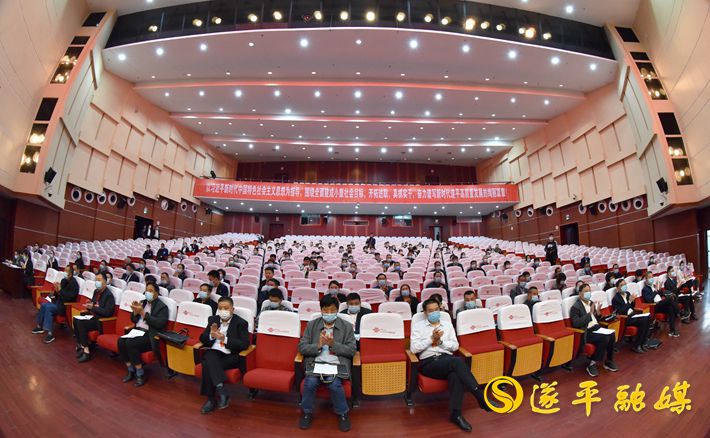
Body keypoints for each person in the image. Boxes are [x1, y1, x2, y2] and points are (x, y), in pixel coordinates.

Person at [411, 298, 495, 432]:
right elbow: (414, 348)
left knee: (455, 375)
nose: (434, 313)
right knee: (458, 362)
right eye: (430, 311)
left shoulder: (447, 325)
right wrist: (431, 339)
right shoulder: (418, 326)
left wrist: (441, 343)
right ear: (425, 313)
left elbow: (455, 346)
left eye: (436, 310)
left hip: (447, 359)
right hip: (429, 363)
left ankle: (456, 415)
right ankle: (480, 397)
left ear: (440, 309)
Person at [298, 295, 357, 432]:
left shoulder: (347, 326)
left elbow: (352, 350)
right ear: (321, 310)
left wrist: (333, 345)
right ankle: (307, 413)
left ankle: (343, 413)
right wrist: (318, 345)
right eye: (326, 310)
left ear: (337, 310)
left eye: (332, 310)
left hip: (336, 365)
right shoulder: (312, 325)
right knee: (310, 383)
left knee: (334, 384)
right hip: (316, 363)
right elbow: (302, 347)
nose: (329, 313)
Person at [199, 297, 249, 414]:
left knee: (207, 363)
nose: (223, 311)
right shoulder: (213, 320)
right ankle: (221, 392)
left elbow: (244, 344)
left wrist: (224, 339)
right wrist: (211, 336)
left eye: (226, 308)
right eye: (220, 308)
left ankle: (211, 400)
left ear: (232, 309)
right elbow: (202, 338)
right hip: (214, 353)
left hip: (230, 356)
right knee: (210, 355)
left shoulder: (241, 323)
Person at [118, 283, 169, 387]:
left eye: (151, 291)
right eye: (147, 290)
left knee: (130, 343)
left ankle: (140, 374)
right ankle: (131, 370)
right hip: (137, 331)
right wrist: (135, 312)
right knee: (121, 341)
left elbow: (159, 324)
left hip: (150, 335)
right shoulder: (142, 302)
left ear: (156, 293)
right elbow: (133, 320)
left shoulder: (162, 307)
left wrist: (142, 313)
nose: (147, 293)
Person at [570, 283, 618, 377]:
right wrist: (590, 314)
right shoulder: (575, 307)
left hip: (596, 327)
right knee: (604, 338)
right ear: (580, 293)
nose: (588, 293)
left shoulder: (591, 303)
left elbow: (596, 318)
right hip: (586, 331)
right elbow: (576, 323)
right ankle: (592, 364)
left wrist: (598, 313)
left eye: (589, 291)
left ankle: (609, 361)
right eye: (586, 291)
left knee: (612, 334)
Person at [74, 273, 115, 363]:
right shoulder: (96, 291)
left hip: (101, 321)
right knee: (76, 319)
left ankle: (86, 351)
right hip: (93, 316)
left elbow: (107, 312)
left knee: (81, 323)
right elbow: (94, 304)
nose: (97, 282)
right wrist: (89, 304)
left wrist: (93, 307)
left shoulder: (109, 295)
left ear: (105, 282)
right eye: (96, 280)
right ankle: (81, 345)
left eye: (99, 280)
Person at [32, 266, 79, 343]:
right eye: (64, 270)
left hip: (65, 306)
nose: (64, 272)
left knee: (48, 308)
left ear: (70, 274)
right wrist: (56, 290)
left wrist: (60, 290)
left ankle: (50, 334)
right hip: (58, 302)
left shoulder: (74, 284)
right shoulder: (63, 280)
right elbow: (59, 294)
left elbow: (69, 298)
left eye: (66, 271)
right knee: (44, 305)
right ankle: (39, 326)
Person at [610, 279, 657, 353]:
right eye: (621, 285)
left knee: (648, 317)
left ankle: (643, 342)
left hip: (633, 315)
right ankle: (636, 345)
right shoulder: (615, 299)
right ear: (617, 288)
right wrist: (629, 301)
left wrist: (633, 301)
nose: (624, 286)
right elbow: (620, 311)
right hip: (625, 318)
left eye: (625, 284)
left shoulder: (628, 293)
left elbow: (632, 307)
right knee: (644, 320)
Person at [641, 272, 680, 337]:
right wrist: (655, 291)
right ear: (646, 279)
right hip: (655, 306)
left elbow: (660, 295)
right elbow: (649, 300)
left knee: (670, 308)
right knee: (669, 299)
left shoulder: (653, 286)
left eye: (652, 277)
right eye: (649, 277)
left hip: (660, 303)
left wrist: (659, 290)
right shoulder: (645, 289)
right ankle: (678, 311)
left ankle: (672, 330)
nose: (651, 278)